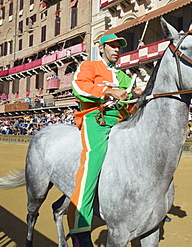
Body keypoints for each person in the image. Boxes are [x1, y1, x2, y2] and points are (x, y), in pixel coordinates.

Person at [67, 34, 142, 246]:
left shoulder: (125, 77)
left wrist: (137, 94)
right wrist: (108, 91)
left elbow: (129, 104)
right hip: (95, 118)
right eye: (112, 46)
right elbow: (79, 87)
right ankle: (79, 229)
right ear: (101, 48)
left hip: (121, 120)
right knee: (93, 163)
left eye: (119, 47)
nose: (117, 50)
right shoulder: (89, 66)